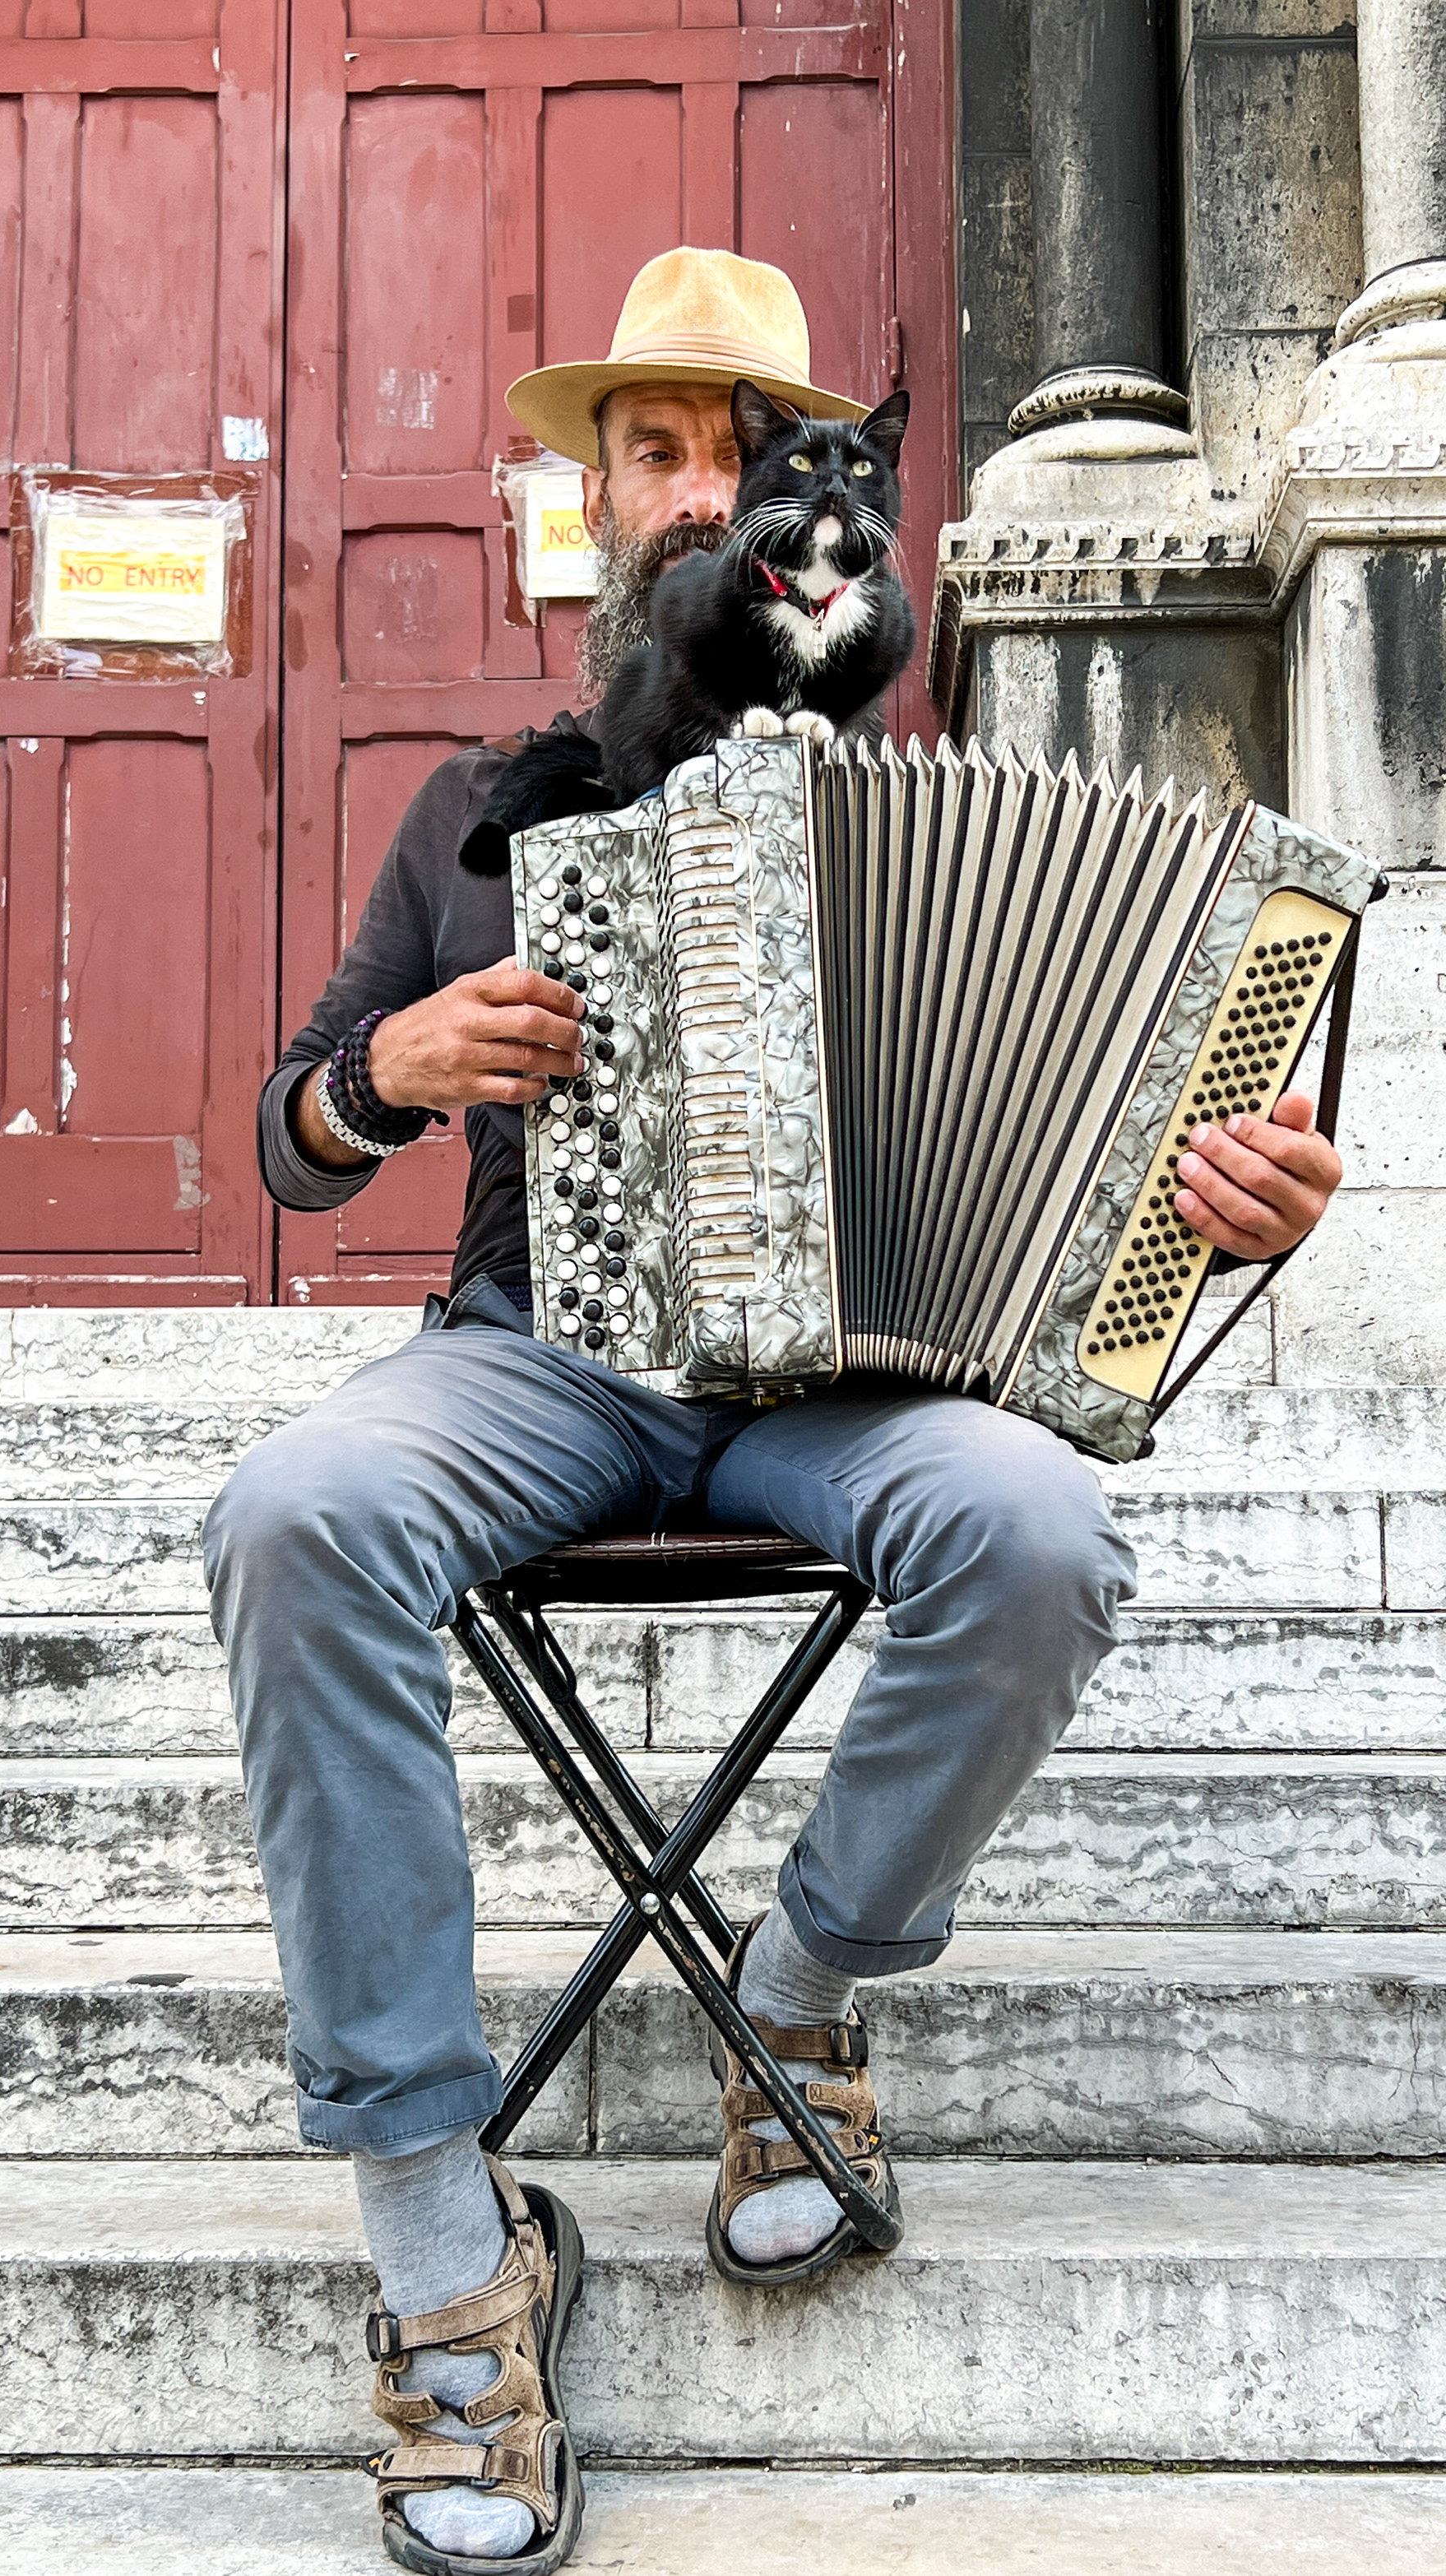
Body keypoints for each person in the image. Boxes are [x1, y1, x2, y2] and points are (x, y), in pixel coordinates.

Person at [203, 248, 1344, 2575]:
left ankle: (799, 1997)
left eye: (745, 451)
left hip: (852, 1391)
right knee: (296, 1510)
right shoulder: (474, 812)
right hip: (542, 1362)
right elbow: (283, 1129)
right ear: (599, 497)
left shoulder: (934, 804)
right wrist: (382, 1072)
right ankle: (446, 2239)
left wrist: (1238, 1189)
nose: (701, 492)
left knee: (1038, 1528)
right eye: (653, 448)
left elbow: (1120, 1144)